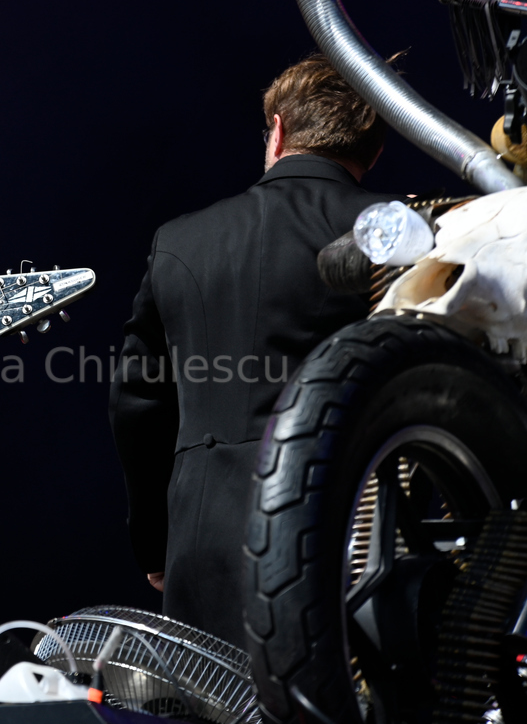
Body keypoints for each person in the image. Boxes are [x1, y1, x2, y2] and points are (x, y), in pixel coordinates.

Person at [109, 52, 391, 647]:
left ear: (278, 132)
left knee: (211, 707)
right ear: (374, 151)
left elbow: (136, 404)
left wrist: (157, 544)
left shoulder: (180, 241)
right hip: (350, 538)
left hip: (203, 543)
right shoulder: (402, 234)